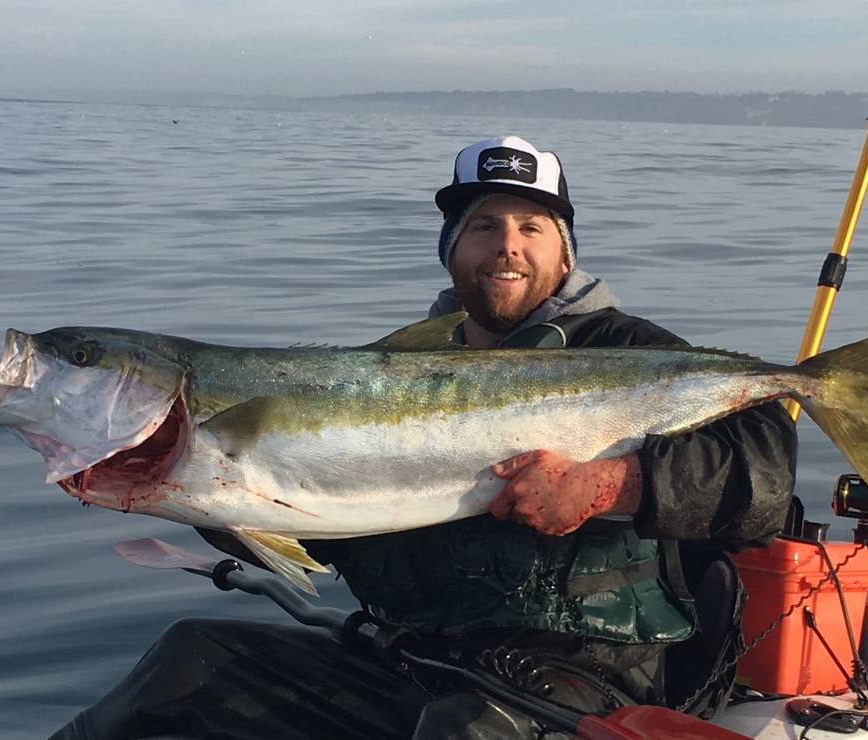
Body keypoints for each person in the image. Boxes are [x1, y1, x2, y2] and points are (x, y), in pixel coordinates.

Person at [52, 136, 797, 740]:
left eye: (530, 228)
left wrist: (612, 484)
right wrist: (190, 493)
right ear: (449, 248)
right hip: (407, 656)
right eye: (482, 226)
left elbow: (764, 474)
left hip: (583, 678)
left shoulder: (633, 351)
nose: (506, 246)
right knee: (189, 660)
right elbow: (321, 534)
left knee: (462, 731)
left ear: (565, 256)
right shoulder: (384, 372)